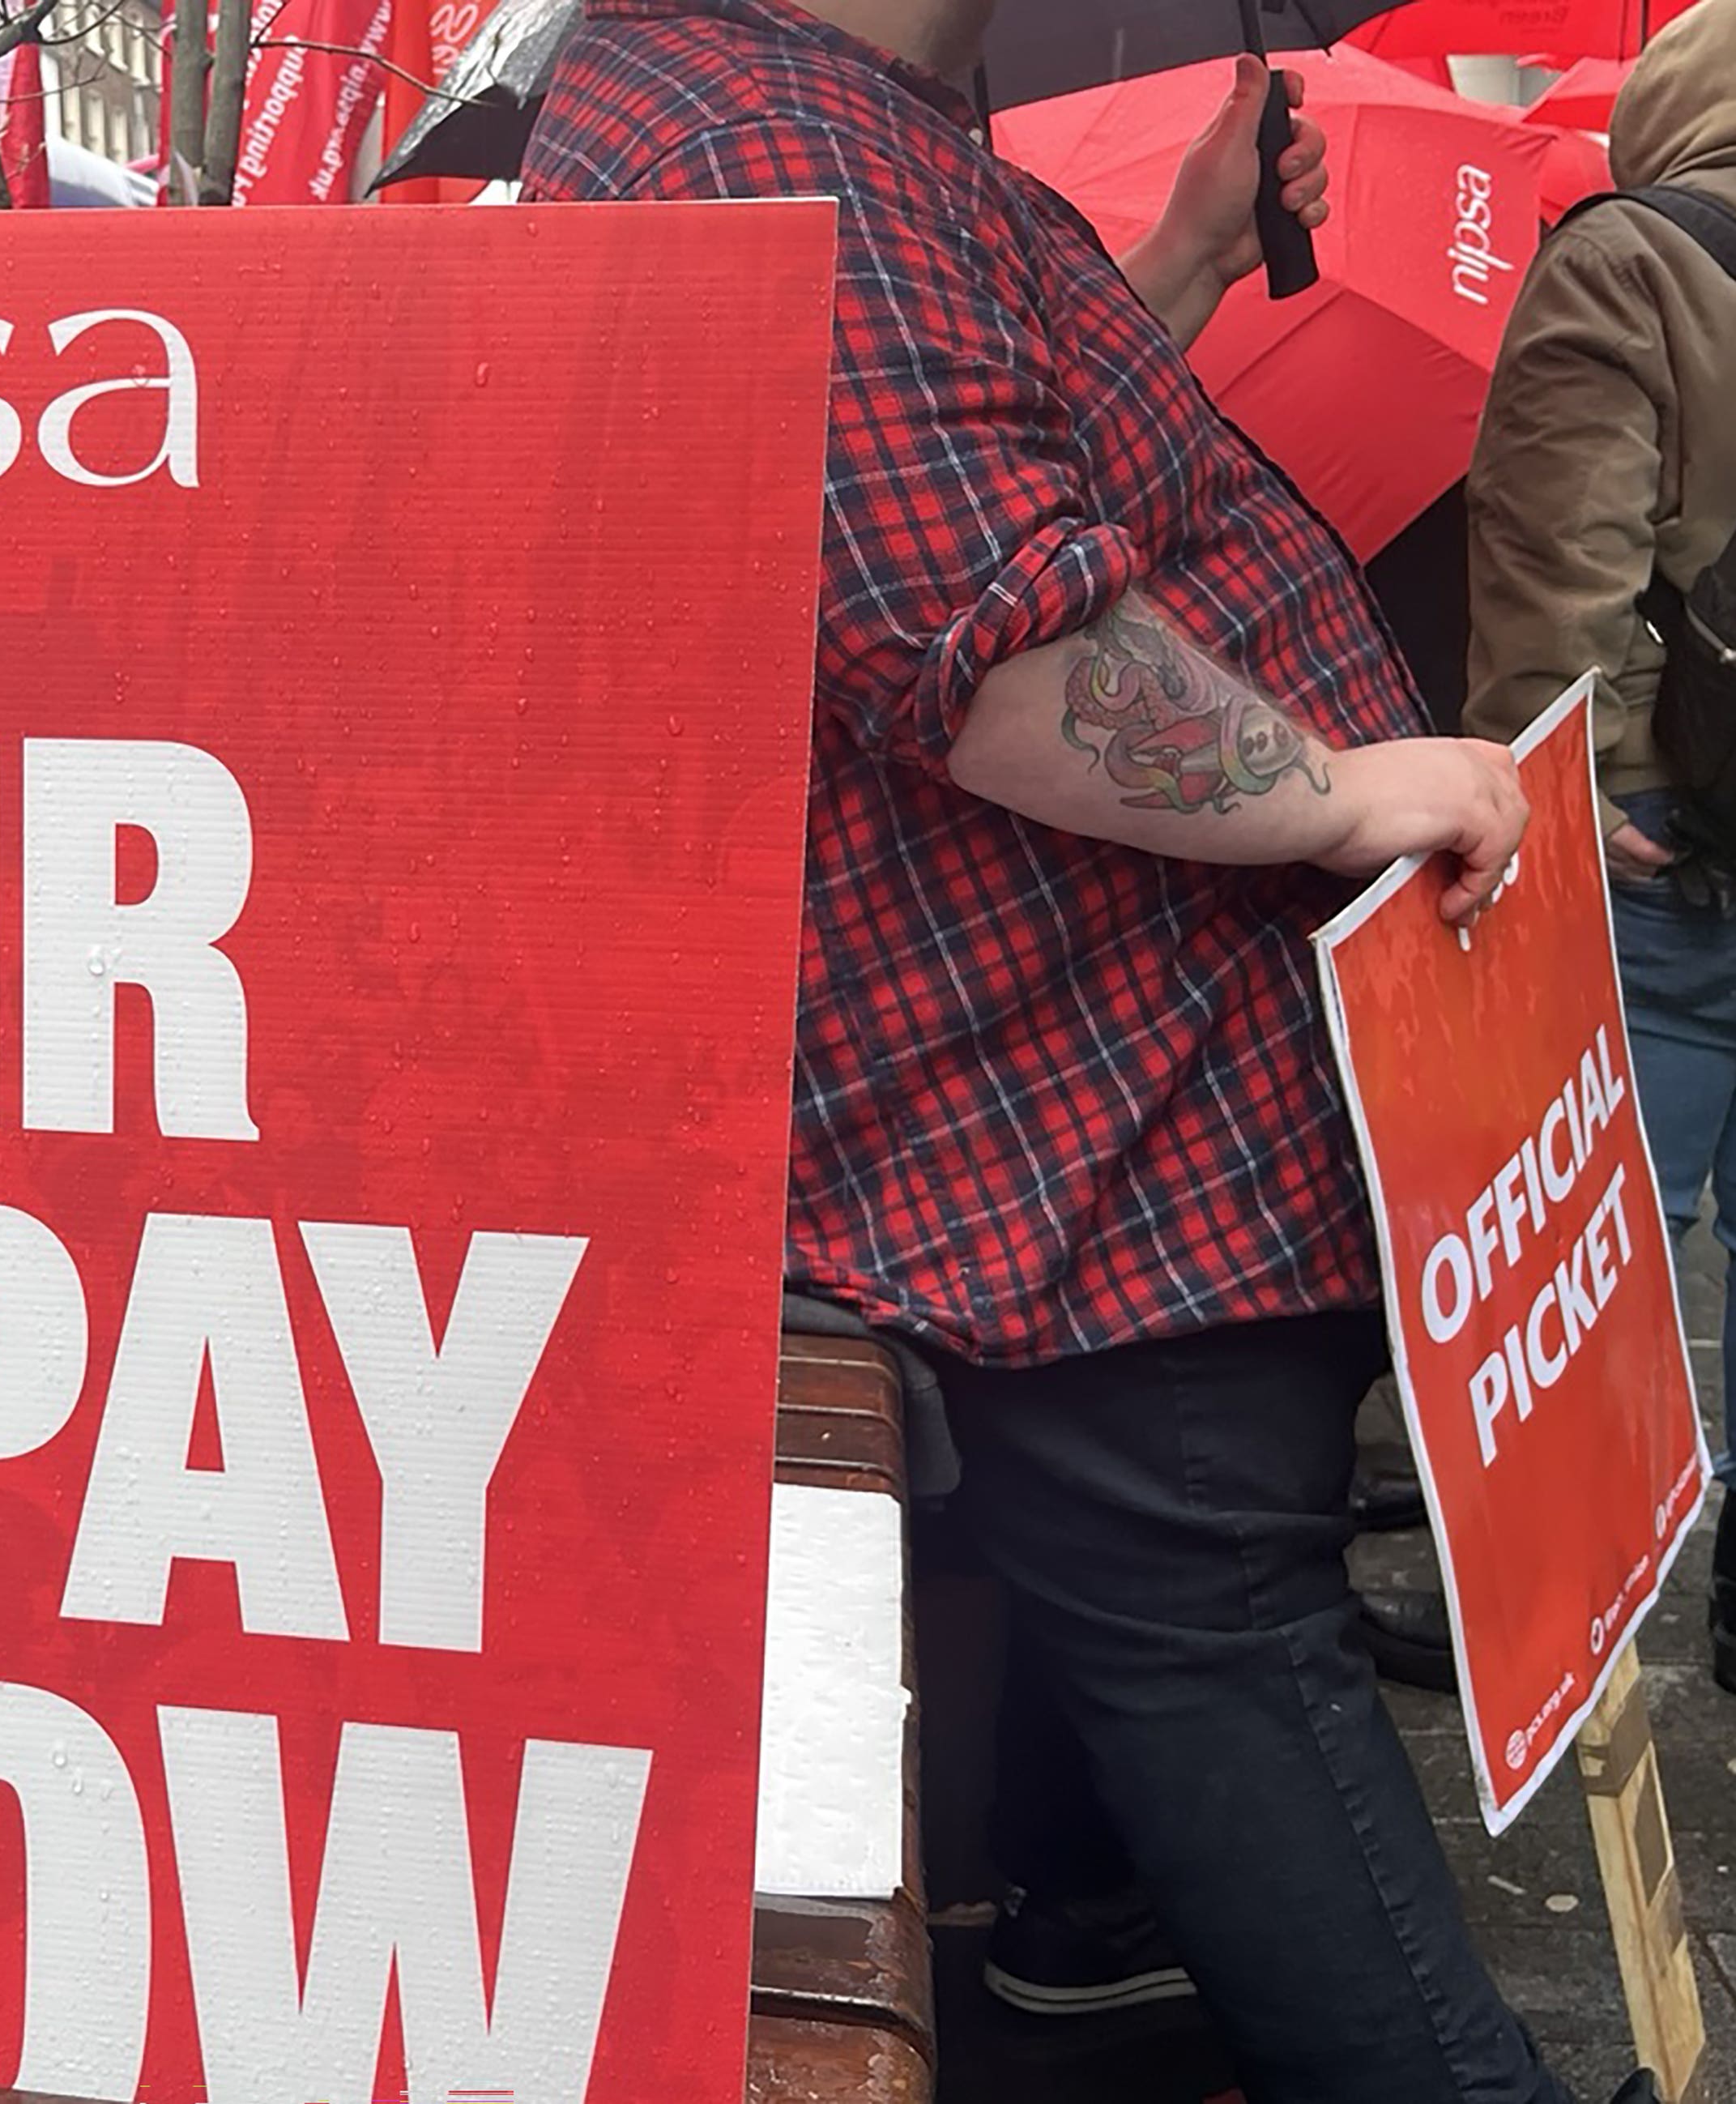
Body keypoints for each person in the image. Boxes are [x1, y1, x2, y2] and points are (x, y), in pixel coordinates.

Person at [521, 11, 1645, 2103]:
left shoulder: (793, 118)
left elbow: (974, 474)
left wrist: (1191, 266)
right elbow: (977, 635)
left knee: (1166, 1594)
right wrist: (1338, 789)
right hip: (1086, 1108)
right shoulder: (772, 129)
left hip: (1091, 1086)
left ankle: (1080, 1931)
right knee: (1220, 1618)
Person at [1464, 0, 1736, 1687]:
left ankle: (1582, 1603)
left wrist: (1560, 774)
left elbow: (1552, 544)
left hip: (1667, 830)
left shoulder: (1631, 260)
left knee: (1599, 1233)